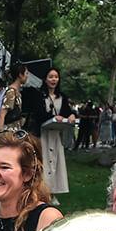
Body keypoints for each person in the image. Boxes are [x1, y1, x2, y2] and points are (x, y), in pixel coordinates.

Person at [33, 67, 75, 197]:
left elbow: (67, 112)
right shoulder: (39, 96)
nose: (53, 79)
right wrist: (51, 117)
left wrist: (72, 115)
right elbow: (38, 114)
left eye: (56, 77)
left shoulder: (62, 97)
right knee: (44, 161)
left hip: (56, 134)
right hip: (43, 134)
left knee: (56, 162)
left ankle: (54, 192)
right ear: (45, 79)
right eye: (51, 77)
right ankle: (42, 191)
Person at [0, 64, 28, 132]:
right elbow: (3, 113)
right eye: (26, 73)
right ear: (20, 74)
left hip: (15, 131)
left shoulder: (16, 92)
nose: (27, 76)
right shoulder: (11, 92)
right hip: (10, 132)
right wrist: (1, 131)